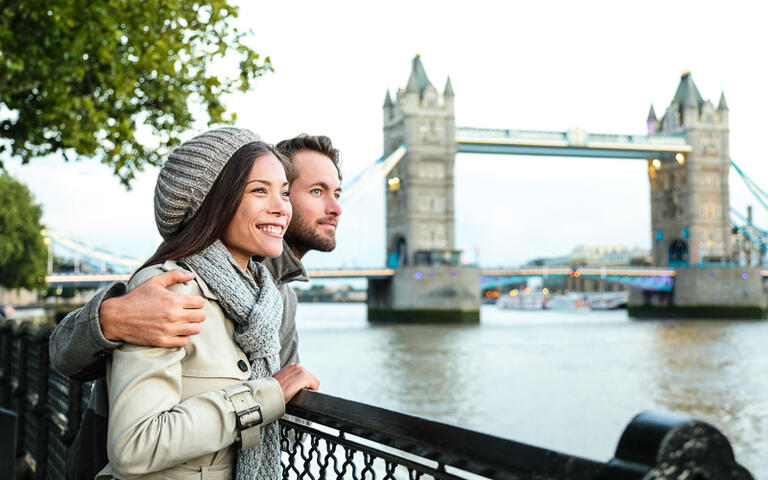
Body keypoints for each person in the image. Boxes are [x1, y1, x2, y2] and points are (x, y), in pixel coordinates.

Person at [49, 133, 343, 479]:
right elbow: (67, 357)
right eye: (316, 191)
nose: (335, 207)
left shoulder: (274, 297)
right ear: (217, 198)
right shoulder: (173, 285)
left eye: (337, 193)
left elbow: (283, 399)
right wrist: (109, 318)